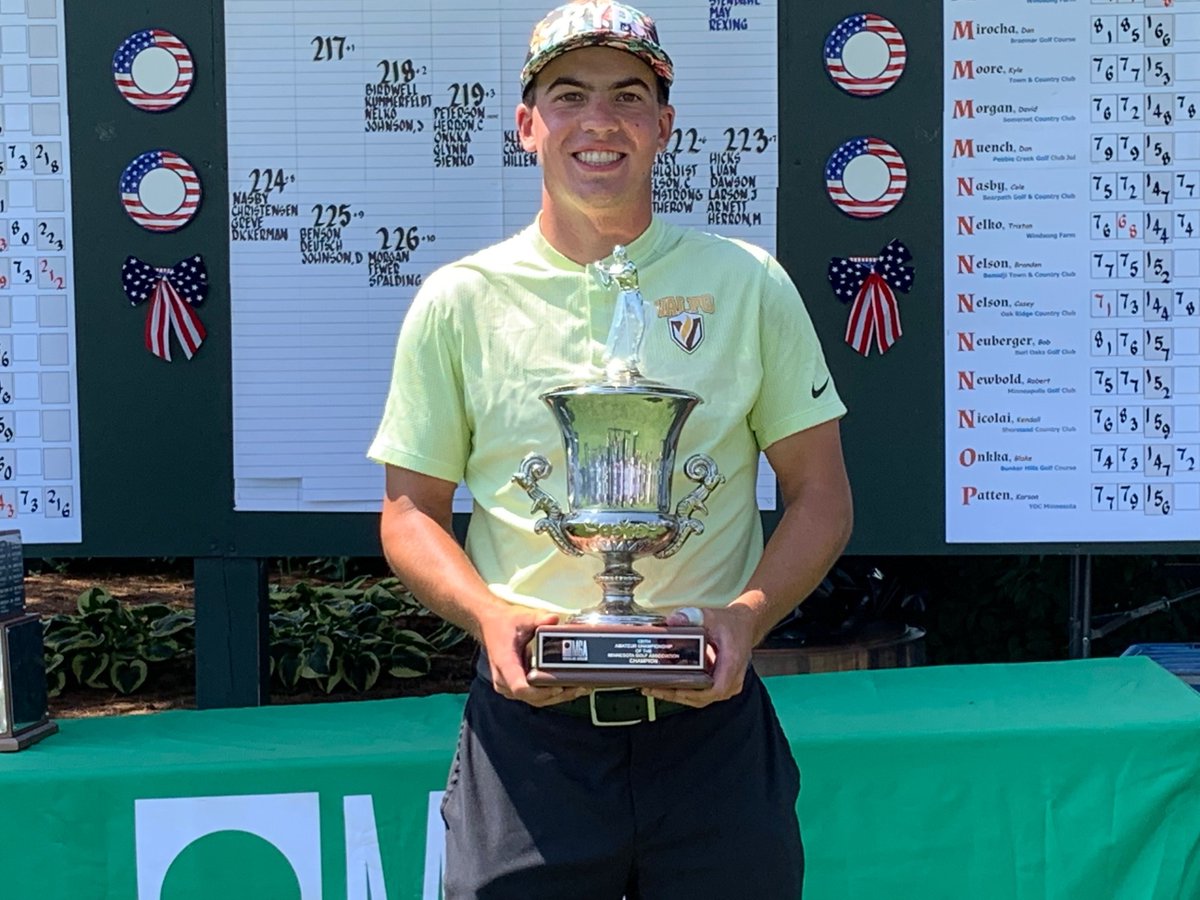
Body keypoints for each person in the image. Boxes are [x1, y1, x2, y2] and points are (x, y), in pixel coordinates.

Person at [368, 2, 852, 896]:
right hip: (530, 744)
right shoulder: (459, 300)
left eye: (629, 96)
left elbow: (820, 492)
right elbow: (409, 513)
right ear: (527, 125)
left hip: (711, 730)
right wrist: (490, 617)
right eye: (568, 95)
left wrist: (745, 615)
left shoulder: (748, 285)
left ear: (664, 126)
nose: (599, 122)